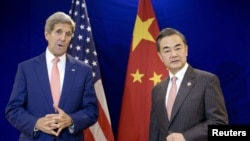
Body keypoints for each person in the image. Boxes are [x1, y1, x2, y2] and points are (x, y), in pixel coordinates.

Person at [5, 11, 98, 141]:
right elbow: (13, 110)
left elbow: (91, 111)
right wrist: (36, 123)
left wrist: (71, 120)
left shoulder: (83, 71)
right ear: (47, 34)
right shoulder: (26, 69)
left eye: (68, 34)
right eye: (58, 32)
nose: (63, 38)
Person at [149, 27, 228, 141]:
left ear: (186, 50)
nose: (174, 54)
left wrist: (186, 137)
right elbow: (155, 130)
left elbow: (219, 123)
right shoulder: (158, 89)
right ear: (160, 56)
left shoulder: (207, 80)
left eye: (178, 48)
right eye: (167, 50)